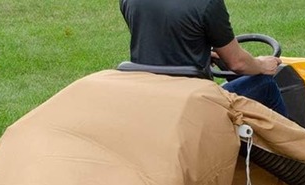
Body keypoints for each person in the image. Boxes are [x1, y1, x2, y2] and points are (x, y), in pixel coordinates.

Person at [119, 0, 287, 117]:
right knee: (266, 85)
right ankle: (297, 160)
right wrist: (262, 65)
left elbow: (153, 37)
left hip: (149, 97)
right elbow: (238, 63)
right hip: (195, 105)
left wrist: (201, 52)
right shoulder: (207, 3)